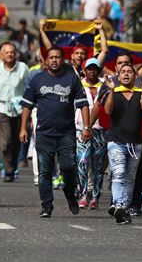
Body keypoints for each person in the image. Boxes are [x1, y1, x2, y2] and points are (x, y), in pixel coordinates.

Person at [20, 46, 91, 218]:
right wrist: (23, 128)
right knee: (45, 171)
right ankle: (46, 206)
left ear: (62, 59)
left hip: (66, 133)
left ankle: (70, 194)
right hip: (44, 133)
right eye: (51, 57)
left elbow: (83, 104)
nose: (54, 60)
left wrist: (87, 127)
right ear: (46, 60)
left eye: (57, 57)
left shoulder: (72, 79)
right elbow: (27, 106)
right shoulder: (38, 79)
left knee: (69, 167)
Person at [103, 64, 142, 224]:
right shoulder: (113, 92)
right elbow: (108, 110)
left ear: (135, 75)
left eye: (129, 72)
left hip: (135, 143)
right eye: (123, 72)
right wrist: (111, 90)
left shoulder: (140, 93)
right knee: (118, 174)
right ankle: (118, 204)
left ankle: (123, 208)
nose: (126, 74)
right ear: (118, 75)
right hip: (116, 142)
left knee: (130, 178)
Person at [0, 42, 30, 182]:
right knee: (5, 143)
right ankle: (8, 169)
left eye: (12, 52)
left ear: (15, 53)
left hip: (19, 109)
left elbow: (29, 89)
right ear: (1, 54)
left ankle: (12, 168)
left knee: (16, 142)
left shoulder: (23, 68)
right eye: (7, 52)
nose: (10, 54)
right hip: (2, 109)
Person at [76, 58, 108, 210]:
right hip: (81, 128)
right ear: (85, 70)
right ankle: (83, 194)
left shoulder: (105, 85)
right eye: (89, 68)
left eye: (95, 68)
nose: (92, 71)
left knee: (98, 164)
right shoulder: (78, 85)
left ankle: (95, 196)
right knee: (83, 161)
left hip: (100, 129)